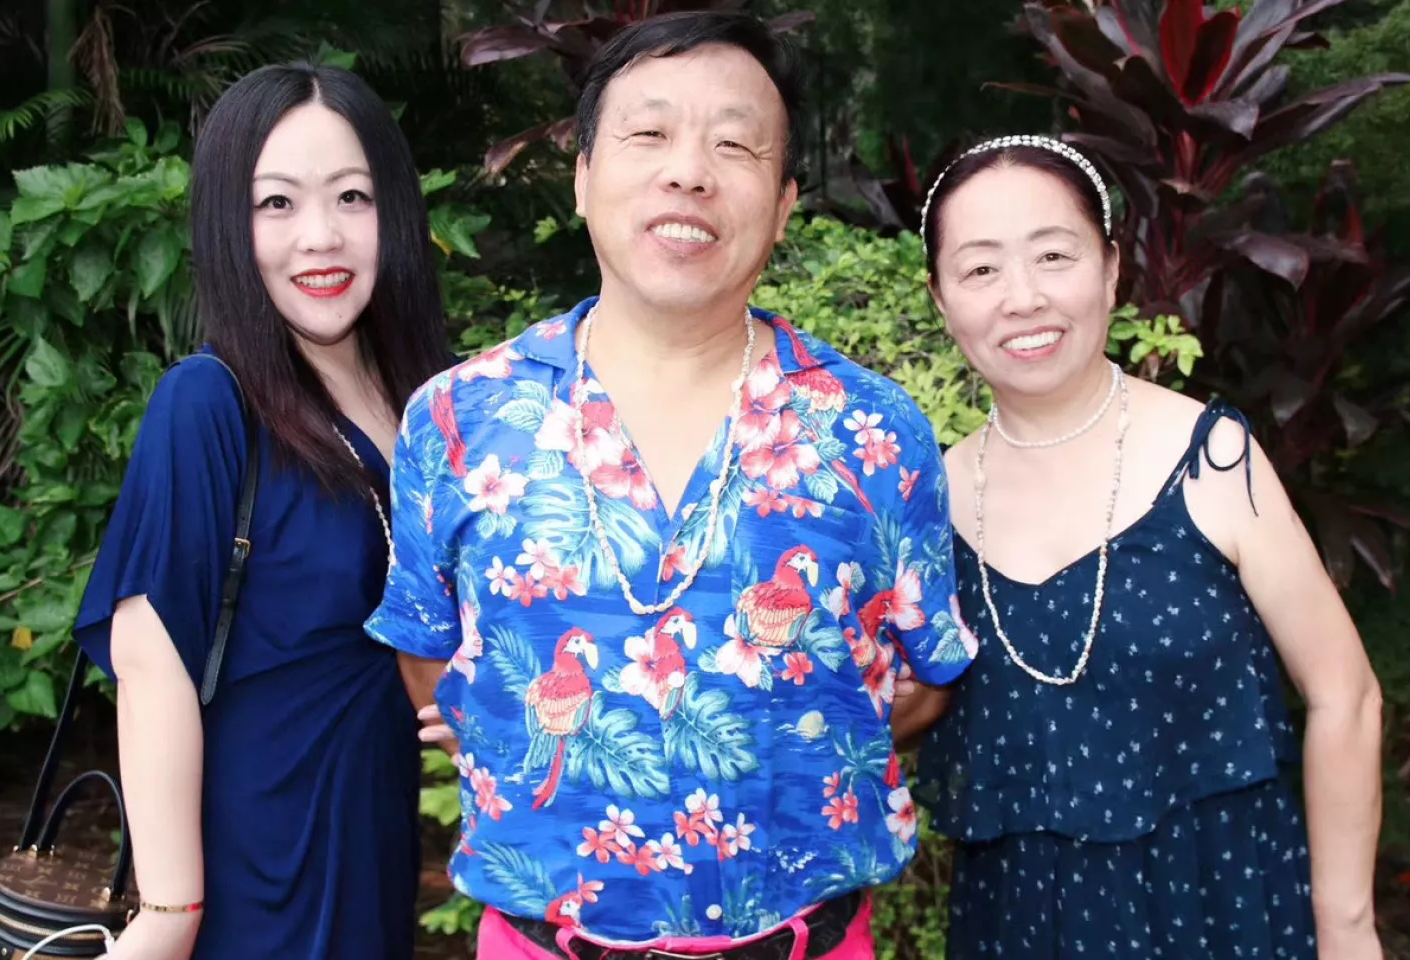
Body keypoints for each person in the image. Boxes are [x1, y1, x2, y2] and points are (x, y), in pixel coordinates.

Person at [365, 11, 976, 959]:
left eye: (733, 144)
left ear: (781, 205)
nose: (688, 169)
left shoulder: (874, 431)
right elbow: (432, 657)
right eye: (649, 134)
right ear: (582, 177)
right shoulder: (458, 420)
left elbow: (919, 684)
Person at [896, 135, 1386, 959]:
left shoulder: (1213, 458)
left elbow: (1347, 697)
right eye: (981, 269)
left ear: (1112, 268)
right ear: (942, 299)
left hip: (1223, 911)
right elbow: (893, 707)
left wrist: (1347, 930)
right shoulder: (927, 504)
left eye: (1054, 255)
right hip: (1018, 929)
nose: (1023, 298)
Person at [72, 61, 450, 960]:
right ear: (227, 227)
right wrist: (169, 916)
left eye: (350, 197)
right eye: (275, 203)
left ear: (391, 210)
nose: (319, 237)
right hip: (252, 863)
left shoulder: (427, 403)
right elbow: (151, 655)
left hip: (374, 833)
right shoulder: (208, 403)